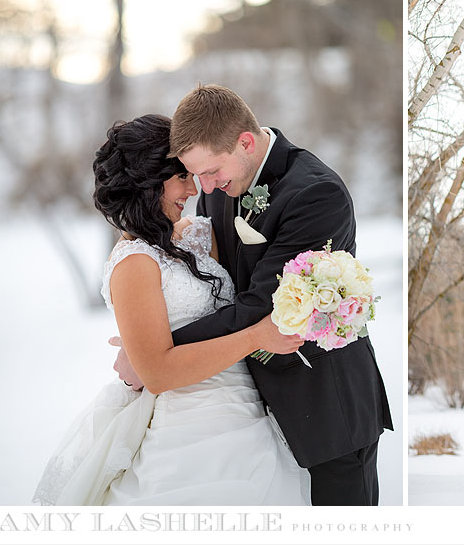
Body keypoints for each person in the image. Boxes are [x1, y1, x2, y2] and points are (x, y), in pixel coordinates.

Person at [112, 84, 393, 506]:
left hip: (324, 405)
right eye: (194, 175)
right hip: (247, 413)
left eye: (210, 172)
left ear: (245, 141)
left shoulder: (315, 194)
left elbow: (261, 305)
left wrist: (156, 352)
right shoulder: (222, 185)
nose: (203, 189)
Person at [33, 114, 310, 506]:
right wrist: (255, 338)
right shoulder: (133, 264)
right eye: (181, 176)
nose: (195, 187)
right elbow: (159, 374)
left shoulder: (198, 235)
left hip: (250, 411)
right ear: (148, 183)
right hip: (190, 425)